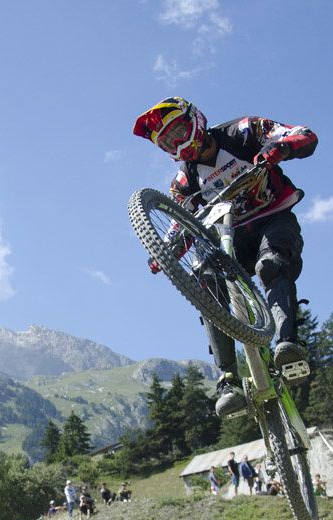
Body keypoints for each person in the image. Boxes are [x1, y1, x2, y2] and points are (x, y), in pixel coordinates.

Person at [133, 98, 318, 416]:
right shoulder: (184, 183)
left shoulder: (243, 132)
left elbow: (301, 134)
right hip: (228, 237)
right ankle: (228, 379)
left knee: (271, 264)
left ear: (195, 120)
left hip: (271, 217)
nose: (176, 144)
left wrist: (282, 148)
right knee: (205, 279)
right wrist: (163, 251)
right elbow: (179, 225)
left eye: (178, 132)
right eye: (167, 142)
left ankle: (287, 346)